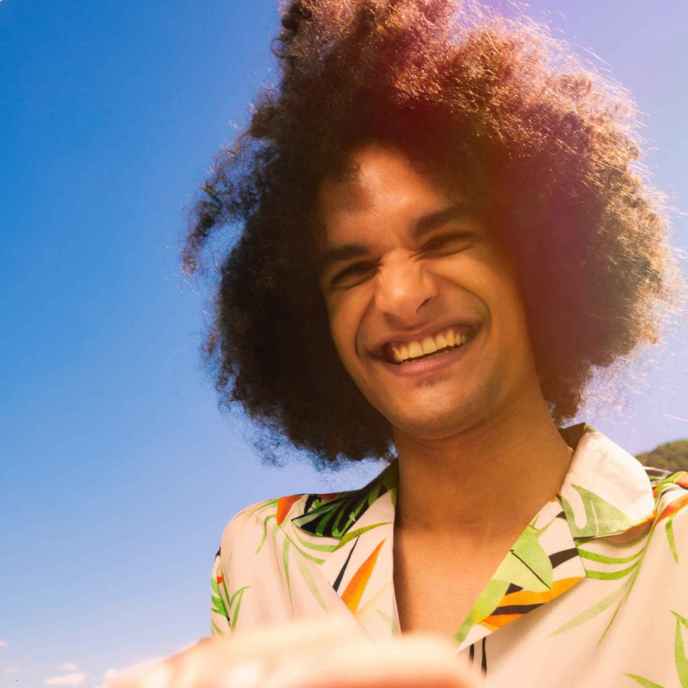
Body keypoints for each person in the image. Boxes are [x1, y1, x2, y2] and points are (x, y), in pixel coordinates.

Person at [113, 0, 688, 686]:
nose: (399, 297)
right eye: (353, 270)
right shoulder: (264, 556)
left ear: (540, 263)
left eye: (445, 240)